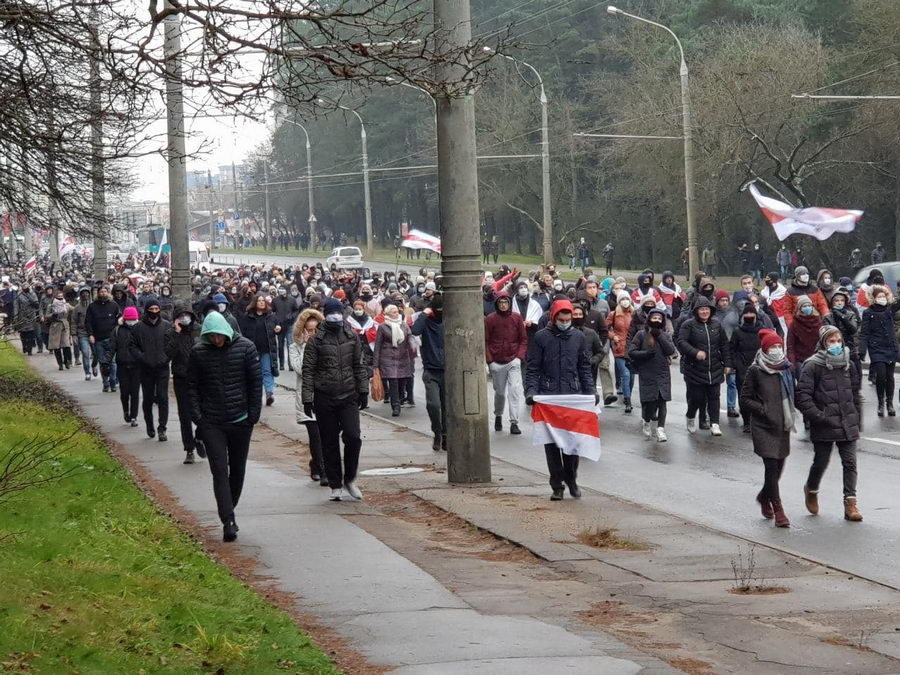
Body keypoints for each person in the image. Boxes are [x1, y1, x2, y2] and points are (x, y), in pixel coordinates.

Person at [188, 311, 262, 542]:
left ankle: (230, 505)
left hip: (240, 420)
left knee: (237, 470)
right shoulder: (199, 353)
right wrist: (198, 418)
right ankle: (227, 520)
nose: (216, 340)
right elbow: (191, 387)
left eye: (219, 336)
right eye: (211, 337)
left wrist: (253, 415)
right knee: (219, 470)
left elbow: (255, 382)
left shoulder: (246, 348)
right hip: (212, 422)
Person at [525, 299, 596, 500]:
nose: (565, 322)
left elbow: (584, 368)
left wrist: (590, 391)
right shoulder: (541, 338)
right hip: (549, 398)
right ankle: (557, 484)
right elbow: (532, 369)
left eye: (568, 319)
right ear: (554, 318)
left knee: (572, 443)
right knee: (553, 444)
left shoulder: (578, 337)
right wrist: (531, 391)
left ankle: (571, 477)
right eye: (561, 319)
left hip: (572, 396)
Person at [301, 297, 369, 502]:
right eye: (331, 313)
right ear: (326, 314)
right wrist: (307, 398)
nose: (335, 316)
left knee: (353, 437)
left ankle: (350, 478)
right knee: (329, 441)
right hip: (324, 396)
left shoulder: (351, 336)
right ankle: (335, 483)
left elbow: (359, 364)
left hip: (348, 394)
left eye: (338, 312)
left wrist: (363, 389)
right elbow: (308, 370)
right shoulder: (316, 340)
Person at [795, 325, 863, 523]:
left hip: (847, 421)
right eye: (831, 341)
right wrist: (818, 416)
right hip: (824, 422)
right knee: (821, 462)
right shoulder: (813, 365)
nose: (835, 345)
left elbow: (855, 393)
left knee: (850, 463)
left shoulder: (848, 363)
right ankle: (812, 489)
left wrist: (856, 417)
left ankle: (850, 503)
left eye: (838, 341)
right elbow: (802, 397)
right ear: (824, 343)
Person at [739, 329, 795, 528]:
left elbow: (794, 391)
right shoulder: (755, 370)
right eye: (773, 347)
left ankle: (764, 496)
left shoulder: (786, 368)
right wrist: (763, 409)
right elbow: (745, 399)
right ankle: (778, 508)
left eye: (779, 346)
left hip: (783, 424)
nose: (777, 350)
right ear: (765, 349)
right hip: (764, 426)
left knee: (779, 467)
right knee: (771, 467)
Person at [676, 296, 730, 436]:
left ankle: (715, 424)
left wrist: (727, 363)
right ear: (696, 311)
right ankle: (691, 416)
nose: (704, 312)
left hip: (715, 368)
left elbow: (724, 344)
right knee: (697, 398)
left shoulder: (717, 324)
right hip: (695, 368)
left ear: (711, 310)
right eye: (701, 309)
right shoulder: (689, 324)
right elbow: (681, 342)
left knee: (714, 397)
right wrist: (695, 353)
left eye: (707, 309)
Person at [289, 308, 328, 484]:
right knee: (315, 435)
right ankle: (323, 470)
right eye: (309, 330)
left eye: (315, 330)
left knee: (326, 434)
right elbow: (300, 369)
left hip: (325, 395)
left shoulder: (326, 345)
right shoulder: (294, 347)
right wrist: (306, 346)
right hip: (306, 397)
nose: (312, 334)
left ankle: (316, 464)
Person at [165, 305, 205, 464]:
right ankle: (189, 448)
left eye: (186, 315)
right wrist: (177, 334)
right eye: (180, 315)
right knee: (185, 415)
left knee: (203, 410)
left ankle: (200, 437)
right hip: (181, 377)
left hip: (200, 377)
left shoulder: (199, 330)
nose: (184, 318)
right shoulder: (170, 334)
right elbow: (167, 354)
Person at [627, 308, 673, 442]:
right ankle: (647, 421)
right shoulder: (641, 335)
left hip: (663, 372)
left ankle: (660, 429)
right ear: (649, 319)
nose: (657, 321)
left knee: (662, 401)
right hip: (647, 372)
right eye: (654, 318)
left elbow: (670, 350)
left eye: (659, 319)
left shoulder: (665, 335)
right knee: (651, 403)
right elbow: (632, 351)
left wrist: (659, 335)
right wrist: (645, 354)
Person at [484, 291, 527, 434]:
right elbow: (486, 341)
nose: (503, 305)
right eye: (500, 303)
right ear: (497, 304)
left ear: (509, 303)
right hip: (497, 362)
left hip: (513, 360)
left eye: (506, 302)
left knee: (514, 390)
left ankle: (514, 422)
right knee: (500, 392)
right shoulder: (490, 319)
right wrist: (490, 360)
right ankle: (498, 414)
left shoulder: (516, 318)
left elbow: (523, 339)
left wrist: (519, 357)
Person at [133, 299, 172, 441]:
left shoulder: (167, 326)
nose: (154, 312)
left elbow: (172, 345)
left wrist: (166, 358)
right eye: (152, 309)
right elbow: (133, 346)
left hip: (162, 367)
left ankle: (162, 427)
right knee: (148, 398)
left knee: (163, 397)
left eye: (157, 309)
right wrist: (142, 357)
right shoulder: (138, 327)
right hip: (146, 368)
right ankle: (150, 424)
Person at [411, 294, 446, 451]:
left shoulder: (449, 321)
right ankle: (437, 432)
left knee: (447, 407)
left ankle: (445, 435)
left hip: (448, 371)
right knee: (433, 404)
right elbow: (415, 330)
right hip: (431, 370)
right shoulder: (425, 322)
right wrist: (424, 314)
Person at [860, 285, 899, 417]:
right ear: (874, 298)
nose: (882, 298)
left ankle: (890, 403)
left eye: (883, 296)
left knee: (890, 376)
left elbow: (898, 304)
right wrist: (862, 350)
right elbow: (864, 333)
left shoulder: (889, 309)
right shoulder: (868, 313)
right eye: (879, 297)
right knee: (881, 376)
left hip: (890, 347)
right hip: (876, 348)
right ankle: (881, 403)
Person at [374, 303, 415, 417]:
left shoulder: (404, 325)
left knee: (402, 381)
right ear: (387, 314)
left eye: (397, 311)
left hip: (403, 358)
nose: (396, 313)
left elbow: (410, 336)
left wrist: (413, 346)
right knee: (393, 382)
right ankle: (395, 406)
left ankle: (401, 399)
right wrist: (375, 364)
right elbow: (377, 345)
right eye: (394, 312)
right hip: (388, 358)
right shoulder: (382, 327)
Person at [239, 294, 280, 406]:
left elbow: (277, 326)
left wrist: (278, 328)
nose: (262, 302)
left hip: (267, 349)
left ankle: (269, 394)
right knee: (255, 374)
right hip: (253, 350)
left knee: (267, 371)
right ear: (255, 303)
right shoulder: (247, 317)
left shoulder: (271, 316)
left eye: (263, 301)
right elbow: (242, 333)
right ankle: (254, 396)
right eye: (259, 301)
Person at [729, 303, 764, 433]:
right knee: (744, 396)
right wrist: (735, 364)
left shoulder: (762, 330)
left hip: (760, 367)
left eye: (751, 313)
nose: (749, 316)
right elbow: (732, 349)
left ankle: (758, 420)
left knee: (759, 395)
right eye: (747, 313)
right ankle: (746, 421)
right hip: (743, 368)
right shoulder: (738, 331)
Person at [110, 306, 142, 427]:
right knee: (124, 392)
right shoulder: (117, 331)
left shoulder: (140, 330)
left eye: (134, 319)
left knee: (135, 392)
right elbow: (112, 347)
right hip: (122, 365)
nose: (132, 321)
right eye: (130, 319)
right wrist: (107, 363)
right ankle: (126, 410)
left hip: (136, 365)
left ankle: (134, 416)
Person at [85, 285, 121, 393]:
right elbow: (88, 322)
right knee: (102, 362)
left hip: (111, 338)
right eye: (101, 292)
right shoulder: (92, 306)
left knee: (113, 362)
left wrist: (117, 332)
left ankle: (113, 382)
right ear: (98, 293)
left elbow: (118, 320)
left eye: (105, 291)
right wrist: (90, 334)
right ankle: (105, 383)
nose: (103, 294)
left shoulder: (114, 305)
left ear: (108, 292)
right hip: (98, 338)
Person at [606, 292, 634, 413]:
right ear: (618, 301)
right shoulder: (614, 314)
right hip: (619, 348)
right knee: (626, 375)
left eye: (627, 298)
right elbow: (603, 328)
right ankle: (628, 401)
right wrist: (613, 337)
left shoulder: (634, 313)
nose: (625, 301)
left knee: (632, 377)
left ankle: (628, 395)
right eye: (622, 299)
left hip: (633, 348)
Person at [787, 295, 822, 382]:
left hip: (816, 359)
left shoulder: (818, 322)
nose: (807, 308)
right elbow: (790, 345)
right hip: (801, 360)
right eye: (804, 306)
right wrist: (792, 362)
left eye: (809, 306)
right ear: (800, 308)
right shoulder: (794, 324)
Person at [272, 286, 300, 371]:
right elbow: (273, 311)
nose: (282, 292)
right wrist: (276, 320)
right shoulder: (275, 300)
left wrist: (291, 316)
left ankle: (291, 364)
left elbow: (296, 310)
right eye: (281, 290)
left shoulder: (292, 300)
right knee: (280, 345)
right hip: (279, 325)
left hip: (289, 324)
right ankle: (281, 364)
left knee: (290, 344)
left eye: (284, 290)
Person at [71, 286, 95, 380]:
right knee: (85, 353)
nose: (85, 295)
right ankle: (87, 372)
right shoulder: (77, 308)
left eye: (87, 293)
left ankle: (94, 366)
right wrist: (74, 335)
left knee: (96, 353)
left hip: (94, 332)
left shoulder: (93, 306)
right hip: (82, 332)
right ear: (80, 295)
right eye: (83, 293)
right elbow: (73, 322)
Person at [47, 290, 72, 370]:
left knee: (66, 345)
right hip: (55, 326)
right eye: (59, 297)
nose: (60, 299)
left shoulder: (67, 305)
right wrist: (52, 315)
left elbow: (75, 310)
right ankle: (60, 363)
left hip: (65, 326)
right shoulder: (50, 306)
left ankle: (67, 361)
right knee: (56, 346)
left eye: (62, 297)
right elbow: (46, 315)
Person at [13, 284, 40, 355]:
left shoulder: (32, 294)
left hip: (31, 314)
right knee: (23, 333)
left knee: (30, 333)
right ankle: (24, 345)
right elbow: (16, 305)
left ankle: (30, 349)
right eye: (23, 287)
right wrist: (16, 315)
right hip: (21, 315)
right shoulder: (19, 295)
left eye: (26, 287)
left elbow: (36, 304)